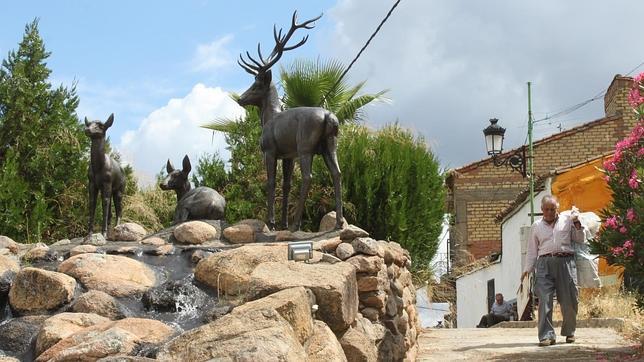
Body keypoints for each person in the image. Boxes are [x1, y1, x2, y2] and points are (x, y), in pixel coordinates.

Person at [521, 195, 586, 346]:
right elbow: (532, 250)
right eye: (547, 209)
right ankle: (546, 336)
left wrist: (577, 222)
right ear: (542, 210)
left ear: (557, 208)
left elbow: (580, 238)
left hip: (566, 262)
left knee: (569, 300)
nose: (550, 212)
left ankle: (569, 332)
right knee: (544, 300)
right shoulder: (536, 226)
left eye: (553, 209)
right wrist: (527, 270)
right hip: (544, 264)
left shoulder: (567, 220)